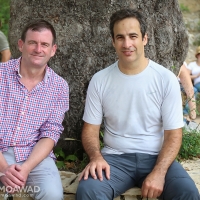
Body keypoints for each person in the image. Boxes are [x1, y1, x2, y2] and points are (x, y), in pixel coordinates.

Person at [76, 9, 200, 200]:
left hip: (156, 158)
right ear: (113, 41)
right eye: (120, 37)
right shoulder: (100, 80)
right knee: (88, 191)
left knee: (188, 193)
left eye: (133, 36)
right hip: (114, 160)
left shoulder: (165, 79)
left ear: (144, 38)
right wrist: (96, 157)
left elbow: (174, 134)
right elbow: (90, 130)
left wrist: (159, 172)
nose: (127, 44)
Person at [0, 19, 69, 200]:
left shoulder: (59, 87)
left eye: (44, 44)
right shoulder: (0, 75)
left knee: (53, 195)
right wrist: (4, 168)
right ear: (21, 45)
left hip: (34, 156)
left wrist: (26, 168)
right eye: (32, 43)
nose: (38, 49)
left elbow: (50, 133)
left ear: (53, 50)